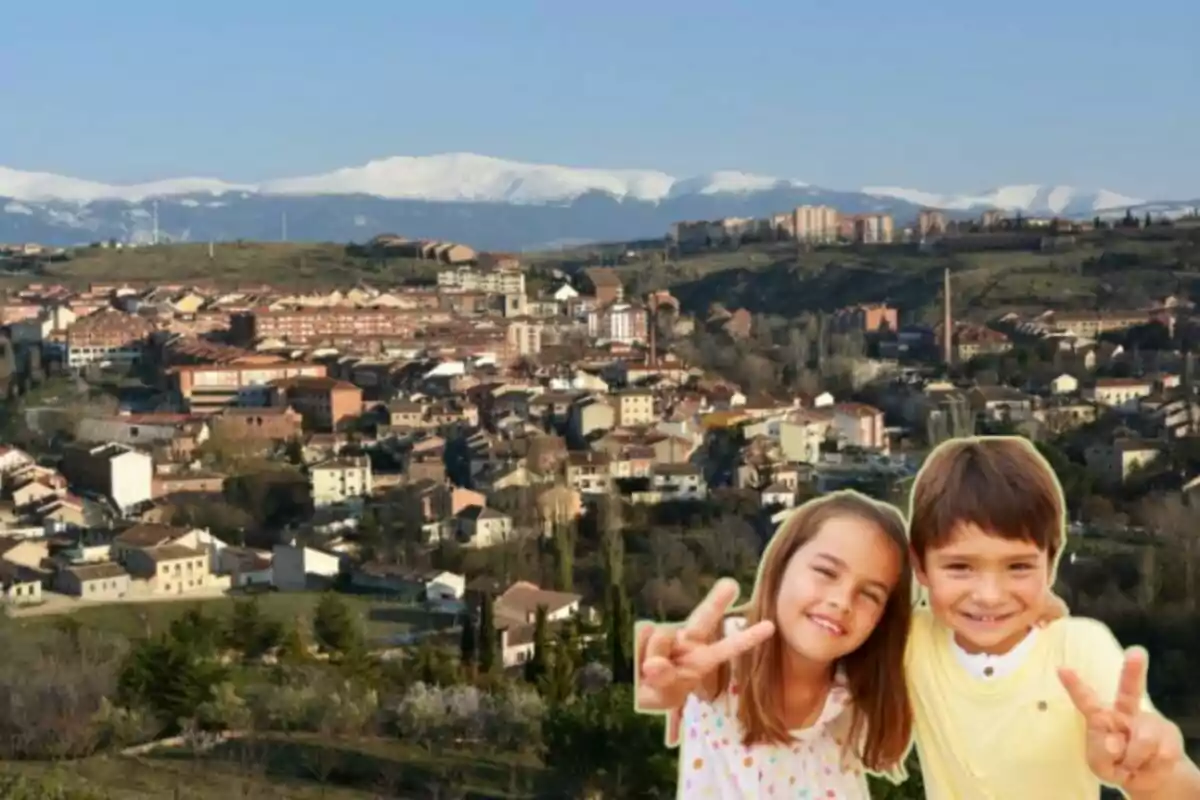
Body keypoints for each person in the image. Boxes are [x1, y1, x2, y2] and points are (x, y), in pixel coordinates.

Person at [640, 436, 1200, 799]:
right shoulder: (909, 643)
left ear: (1052, 563)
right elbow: (722, 666)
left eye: (1018, 567)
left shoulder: (1082, 649)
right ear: (922, 570)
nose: (989, 594)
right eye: (960, 566)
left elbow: (1148, 764)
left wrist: (1157, 770)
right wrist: (669, 674)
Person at [637, 490, 915, 798]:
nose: (842, 601)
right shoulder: (730, 658)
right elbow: (678, 667)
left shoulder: (854, 689)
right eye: (825, 571)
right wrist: (666, 680)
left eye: (870, 595)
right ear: (781, 565)